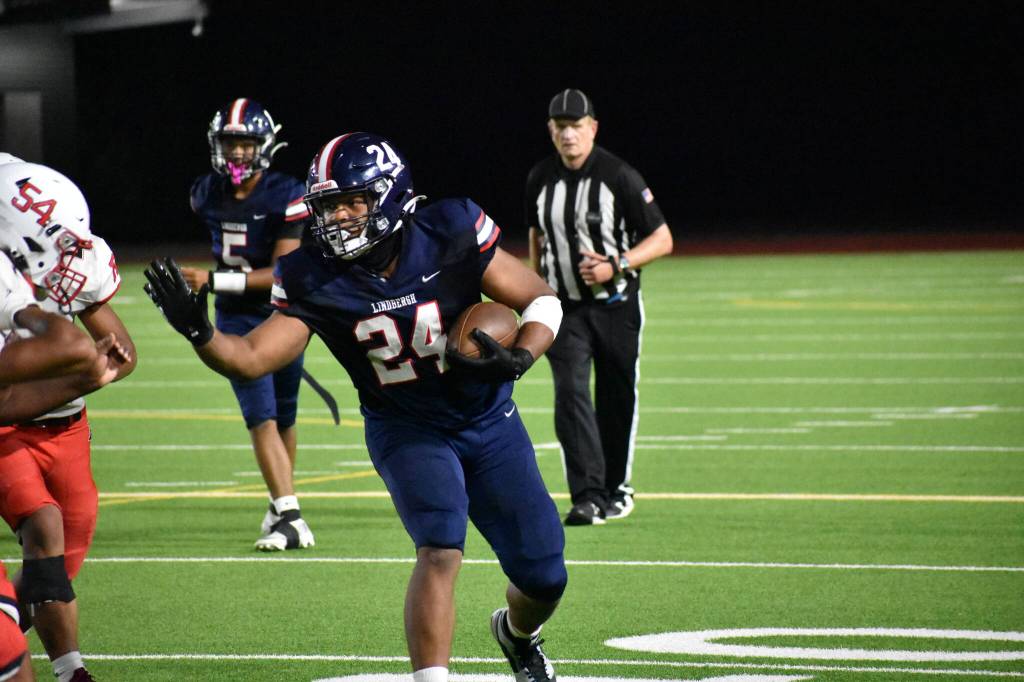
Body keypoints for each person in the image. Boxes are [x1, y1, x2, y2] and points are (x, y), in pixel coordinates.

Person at [145, 132, 567, 682]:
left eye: (353, 202)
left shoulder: (449, 228)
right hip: (406, 426)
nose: (339, 218)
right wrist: (200, 330)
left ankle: (516, 634)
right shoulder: (311, 273)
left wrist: (519, 359)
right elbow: (251, 358)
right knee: (440, 546)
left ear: (389, 196)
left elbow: (541, 299)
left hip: (487, 418)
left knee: (544, 574)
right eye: (328, 206)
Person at [0, 161, 135, 682]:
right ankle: (72, 672)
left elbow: (122, 353)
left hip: (67, 428)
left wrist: (94, 371)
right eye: (46, 236)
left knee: (54, 569)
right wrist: (84, 376)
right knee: (45, 528)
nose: (66, 251)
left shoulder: (69, 259)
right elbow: (5, 398)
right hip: (8, 429)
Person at [526, 88, 674, 526]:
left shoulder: (619, 176)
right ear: (551, 132)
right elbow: (537, 236)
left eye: (576, 126)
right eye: (560, 127)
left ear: (592, 128)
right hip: (565, 308)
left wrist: (617, 264)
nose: (568, 135)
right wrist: (538, 290)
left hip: (616, 306)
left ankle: (615, 488)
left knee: (615, 396)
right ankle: (587, 495)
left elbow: (663, 238)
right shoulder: (539, 178)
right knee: (570, 394)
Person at [181, 98, 315, 551]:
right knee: (261, 416)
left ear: (265, 145)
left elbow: (283, 269)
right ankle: (289, 512)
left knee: (285, 414)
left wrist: (213, 279)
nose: (237, 152)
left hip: (282, 310)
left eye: (246, 142)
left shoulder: (288, 193)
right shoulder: (206, 192)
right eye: (230, 142)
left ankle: (283, 505)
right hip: (236, 319)